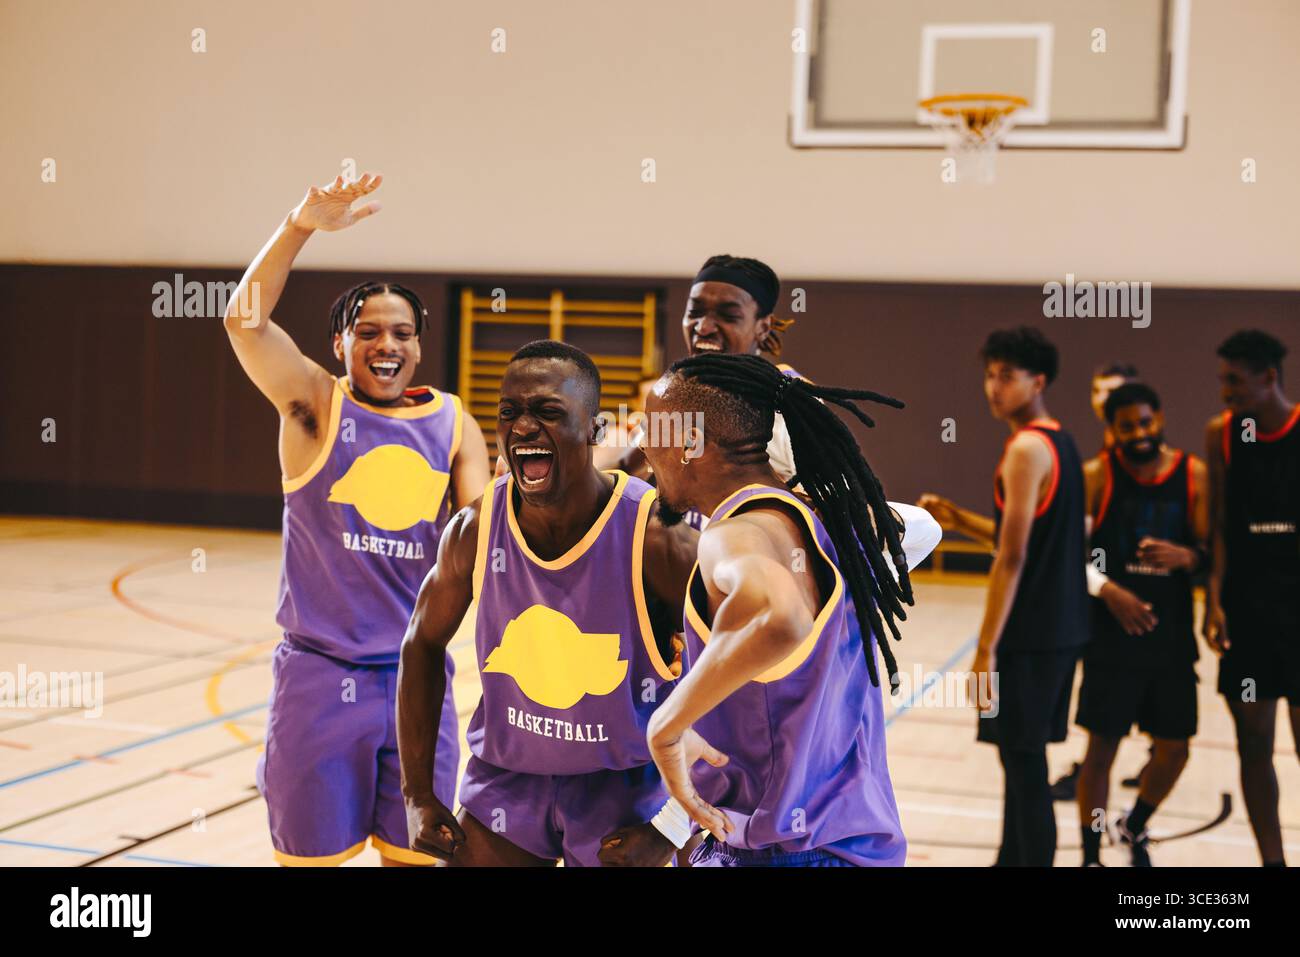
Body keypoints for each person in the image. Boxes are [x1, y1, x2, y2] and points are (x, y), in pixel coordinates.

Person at [222, 173, 489, 865]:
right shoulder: (313, 406)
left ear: (419, 347)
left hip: (419, 684)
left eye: (401, 332)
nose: (385, 344)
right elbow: (243, 320)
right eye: (366, 331)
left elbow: (490, 546)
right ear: (339, 343)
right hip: (319, 681)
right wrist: (299, 224)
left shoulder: (454, 424)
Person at [398, 340, 699, 866]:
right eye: (509, 413)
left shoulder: (657, 538)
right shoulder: (473, 529)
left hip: (626, 788)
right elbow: (421, 644)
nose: (522, 427)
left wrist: (673, 827)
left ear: (595, 430)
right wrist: (418, 794)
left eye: (548, 412)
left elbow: (737, 690)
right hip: (509, 782)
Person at [640, 353, 938, 865]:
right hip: (855, 844)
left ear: (691, 442)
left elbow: (778, 615)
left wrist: (666, 724)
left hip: (779, 851)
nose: (643, 444)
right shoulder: (833, 525)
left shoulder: (733, 535)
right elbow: (922, 526)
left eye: (651, 428)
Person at [919, 327, 1088, 866]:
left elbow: (1011, 558)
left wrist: (986, 648)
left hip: (1029, 633)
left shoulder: (1024, 449)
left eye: (1007, 377)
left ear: (1037, 381)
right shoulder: (1059, 441)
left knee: (1025, 766)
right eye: (989, 376)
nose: (993, 388)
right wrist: (957, 518)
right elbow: (1019, 537)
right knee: (1022, 758)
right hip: (1060, 629)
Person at [1075, 382, 1206, 866]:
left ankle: (1134, 825)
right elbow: (1071, 553)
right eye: (1127, 426)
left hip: (1171, 641)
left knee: (1175, 749)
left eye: (1146, 422)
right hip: (1111, 641)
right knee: (1101, 752)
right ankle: (1091, 855)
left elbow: (1214, 554)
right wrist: (1109, 591)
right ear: (1111, 431)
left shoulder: (1194, 475)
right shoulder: (1096, 476)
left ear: (1161, 418)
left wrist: (1188, 555)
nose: (1139, 433)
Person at [1205, 329, 1299, 867]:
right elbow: (1219, 527)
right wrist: (1213, 600)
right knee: (1254, 744)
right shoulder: (1222, 435)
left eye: (1235, 381)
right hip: (1247, 609)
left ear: (1269, 377)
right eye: (1223, 380)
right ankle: (1274, 862)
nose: (1225, 391)